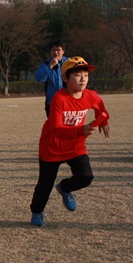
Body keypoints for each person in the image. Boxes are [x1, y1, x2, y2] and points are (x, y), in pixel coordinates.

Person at [30, 57, 110, 227]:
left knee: (86, 176)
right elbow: (56, 129)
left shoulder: (90, 95)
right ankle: (37, 211)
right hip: (52, 146)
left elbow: (100, 107)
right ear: (65, 78)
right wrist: (80, 130)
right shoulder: (59, 99)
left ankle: (65, 188)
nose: (83, 79)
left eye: (86, 75)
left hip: (75, 146)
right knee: (45, 185)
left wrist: (103, 121)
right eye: (77, 75)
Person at [36, 41, 68, 117]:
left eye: (58, 50)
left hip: (69, 101)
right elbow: (39, 78)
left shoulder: (69, 63)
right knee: (53, 127)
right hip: (52, 102)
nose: (56, 53)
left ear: (63, 51)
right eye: (53, 50)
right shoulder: (46, 64)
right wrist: (50, 66)